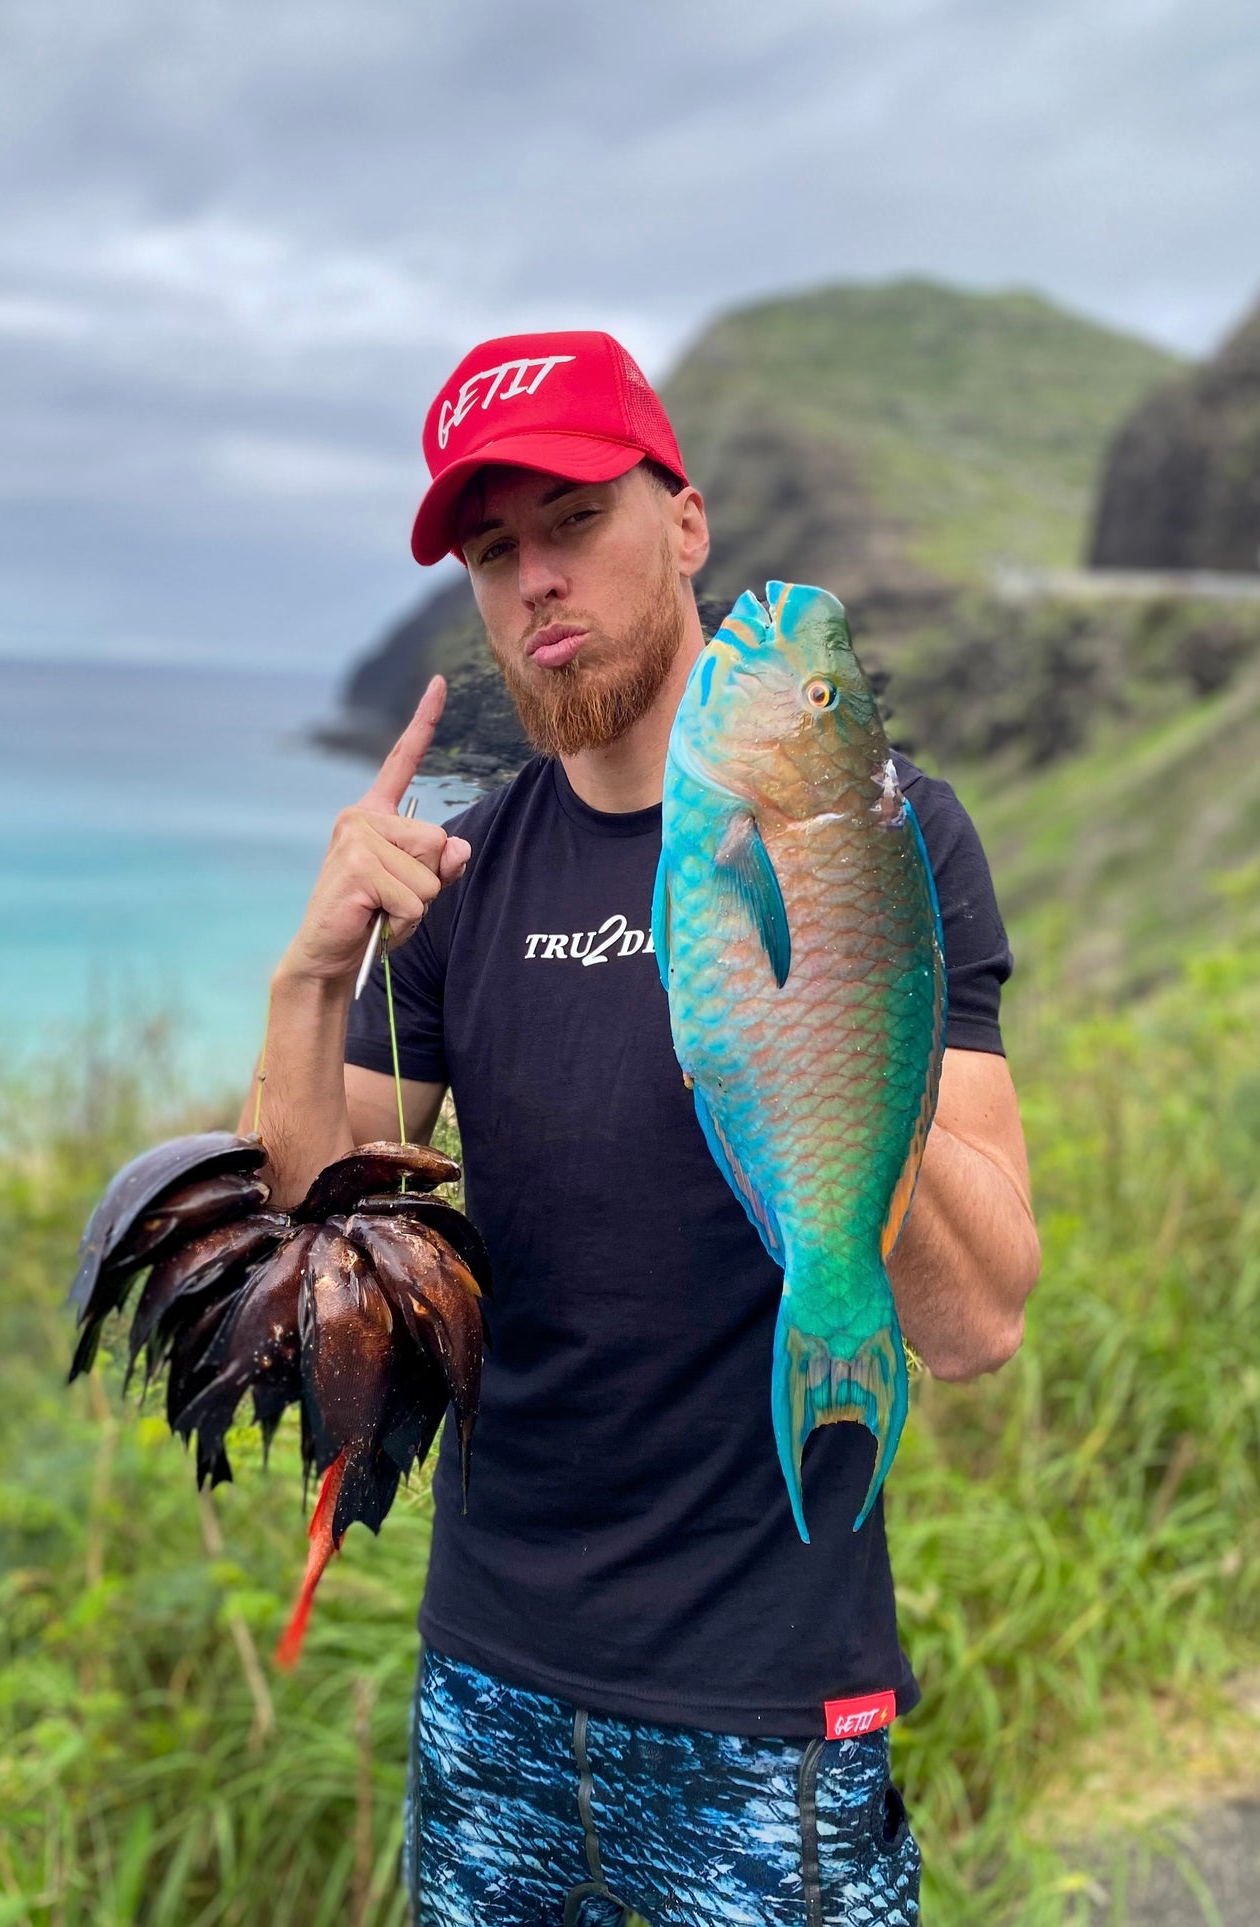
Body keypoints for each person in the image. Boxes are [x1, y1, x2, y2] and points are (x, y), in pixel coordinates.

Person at [243, 332, 1041, 1927]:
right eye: (493, 551)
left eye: (576, 521)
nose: (537, 579)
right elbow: (318, 1230)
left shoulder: (879, 832)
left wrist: (830, 1039)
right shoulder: (466, 870)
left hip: (764, 1700)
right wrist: (310, 970)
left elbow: (979, 1321)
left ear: (682, 523)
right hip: (490, 1677)